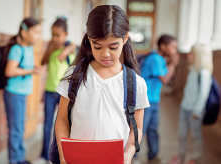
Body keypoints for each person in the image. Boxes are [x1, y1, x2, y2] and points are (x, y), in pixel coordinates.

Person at [54, 5, 150, 164]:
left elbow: (137, 128)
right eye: (97, 46)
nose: (105, 54)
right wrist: (64, 157)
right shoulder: (74, 76)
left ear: (125, 39)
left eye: (113, 47)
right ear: (89, 39)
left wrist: (128, 154)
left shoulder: (136, 84)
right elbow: (62, 119)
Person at [34, 17, 77, 164]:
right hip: (49, 91)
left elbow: (74, 45)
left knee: (66, 123)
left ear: (66, 34)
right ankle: (45, 156)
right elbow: (43, 62)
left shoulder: (70, 48)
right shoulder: (52, 47)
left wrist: (66, 50)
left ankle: (64, 155)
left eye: (58, 35)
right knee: (47, 124)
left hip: (64, 93)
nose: (55, 38)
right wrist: (50, 48)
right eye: (52, 34)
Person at [4, 18, 42, 164]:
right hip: (14, 94)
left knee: (20, 128)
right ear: (24, 32)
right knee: (16, 129)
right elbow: (10, 71)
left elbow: (24, 68)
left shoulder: (29, 49)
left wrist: (34, 69)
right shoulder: (17, 49)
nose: (39, 36)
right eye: (36, 32)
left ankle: (19, 157)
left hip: (22, 94)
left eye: (40, 32)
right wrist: (32, 70)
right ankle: (15, 160)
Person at [138, 35, 179, 164]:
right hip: (145, 100)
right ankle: (132, 157)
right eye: (173, 47)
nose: (174, 51)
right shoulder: (155, 59)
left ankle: (153, 156)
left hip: (154, 100)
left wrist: (169, 63)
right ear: (163, 46)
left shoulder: (159, 58)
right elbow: (166, 80)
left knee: (153, 130)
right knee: (140, 130)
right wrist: (173, 64)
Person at [170, 44, 213, 164]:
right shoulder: (192, 69)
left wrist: (197, 111)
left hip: (195, 111)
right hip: (185, 107)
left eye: (191, 54)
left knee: (195, 136)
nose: (188, 56)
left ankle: (194, 157)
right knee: (181, 134)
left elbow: (203, 94)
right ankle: (181, 156)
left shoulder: (204, 73)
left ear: (198, 56)